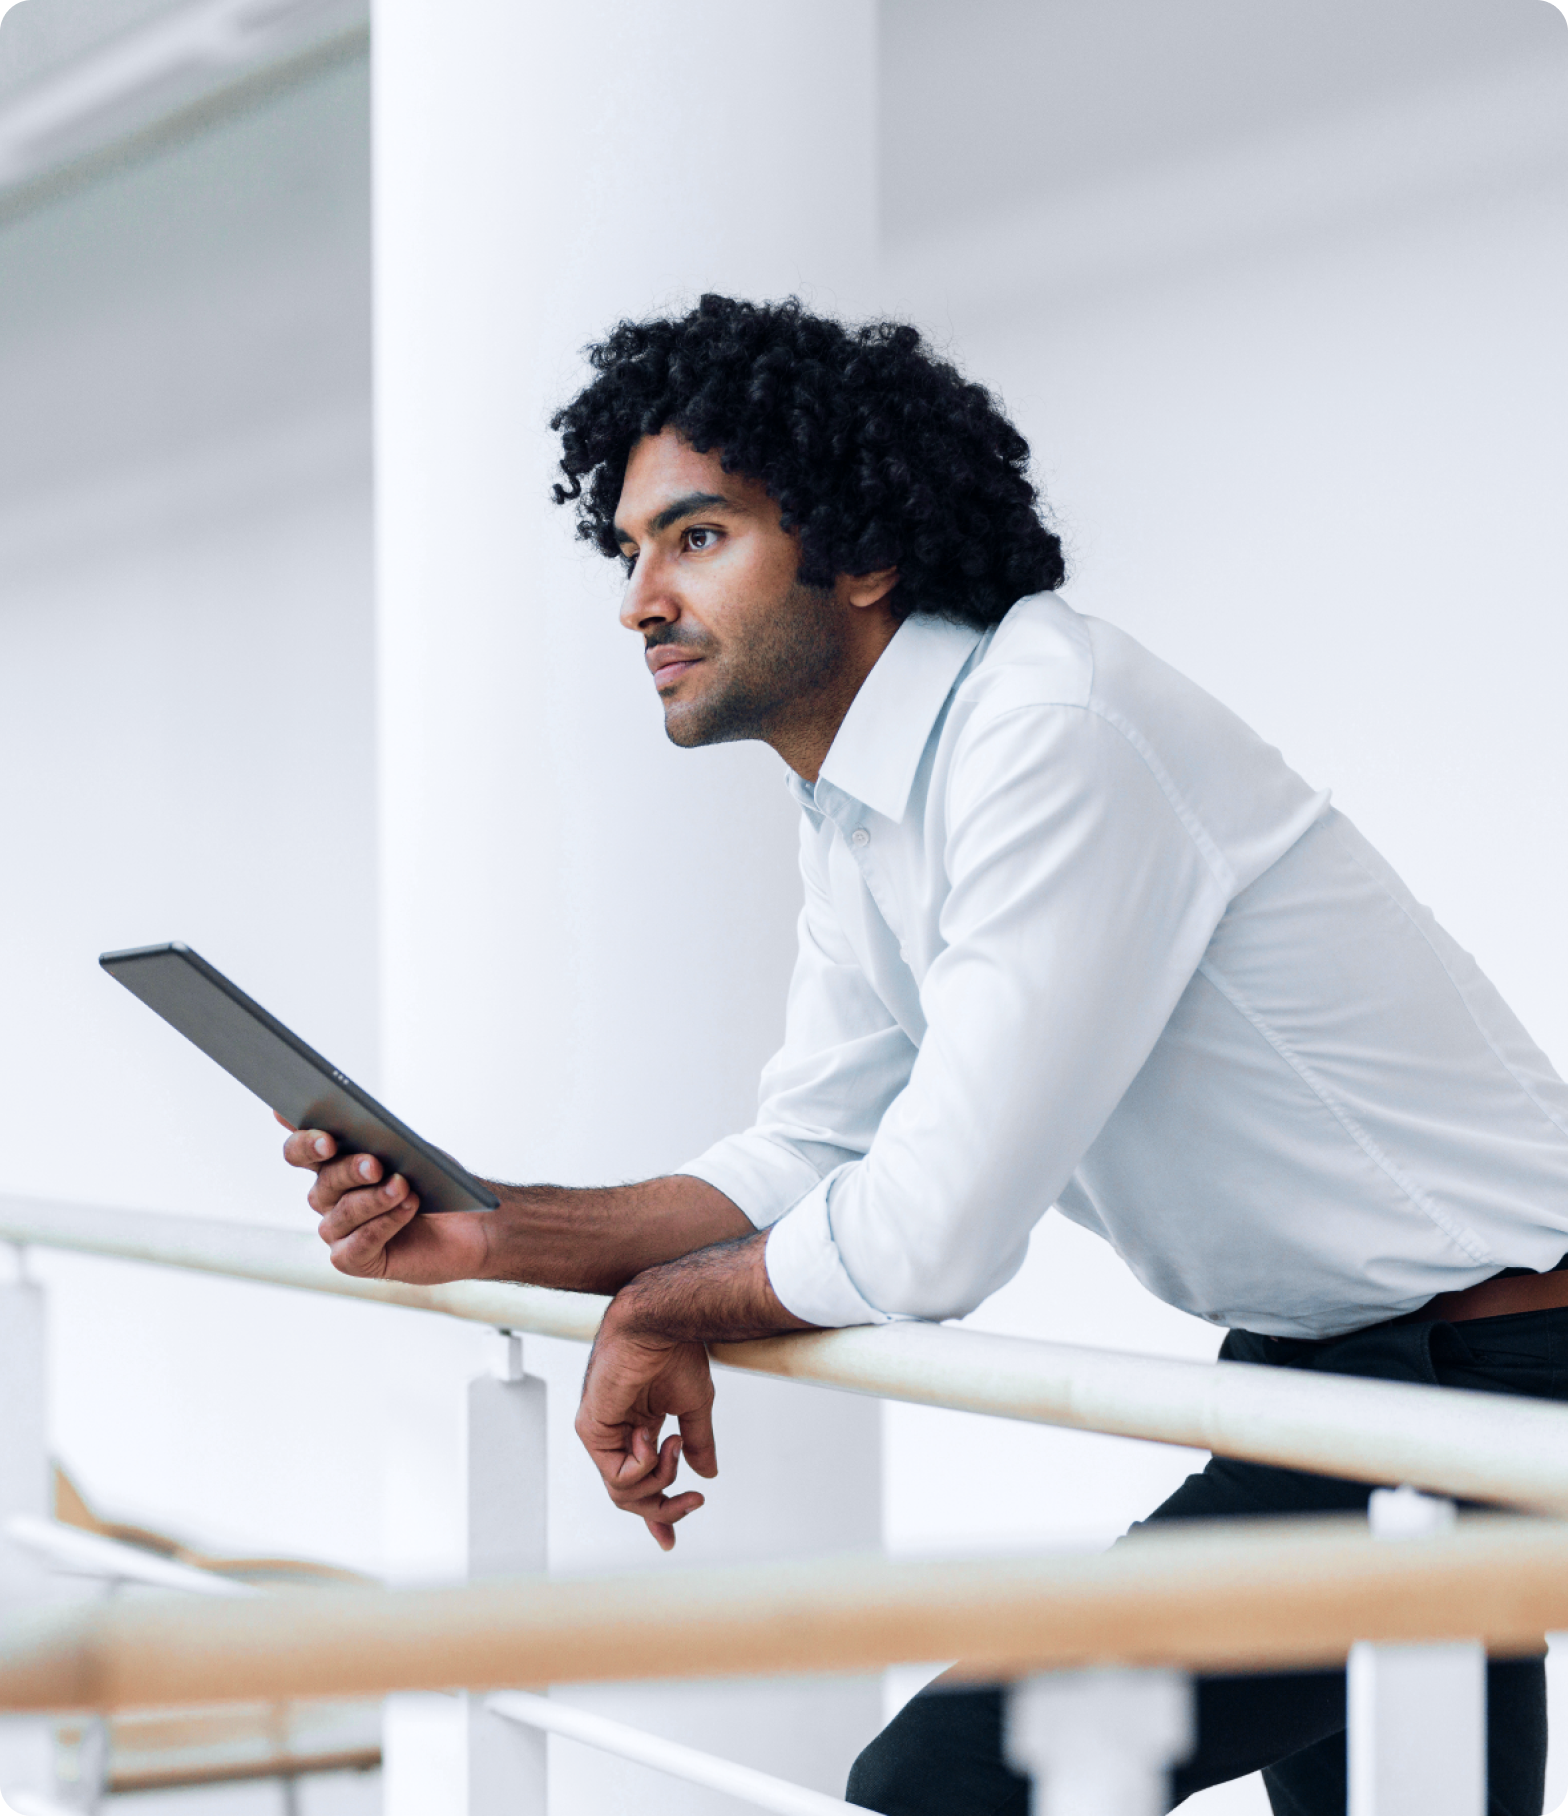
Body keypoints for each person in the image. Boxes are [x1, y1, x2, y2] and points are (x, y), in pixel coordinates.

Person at [281, 294, 1568, 1816]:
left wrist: (660, 1307)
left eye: (696, 537)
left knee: (947, 1783)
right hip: (1340, 1371)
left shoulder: (1049, 730)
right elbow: (812, 1156)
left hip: (1500, 1370)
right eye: (628, 551)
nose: (638, 599)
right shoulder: (862, 803)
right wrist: (502, 1230)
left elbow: (931, 1228)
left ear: (865, 549)